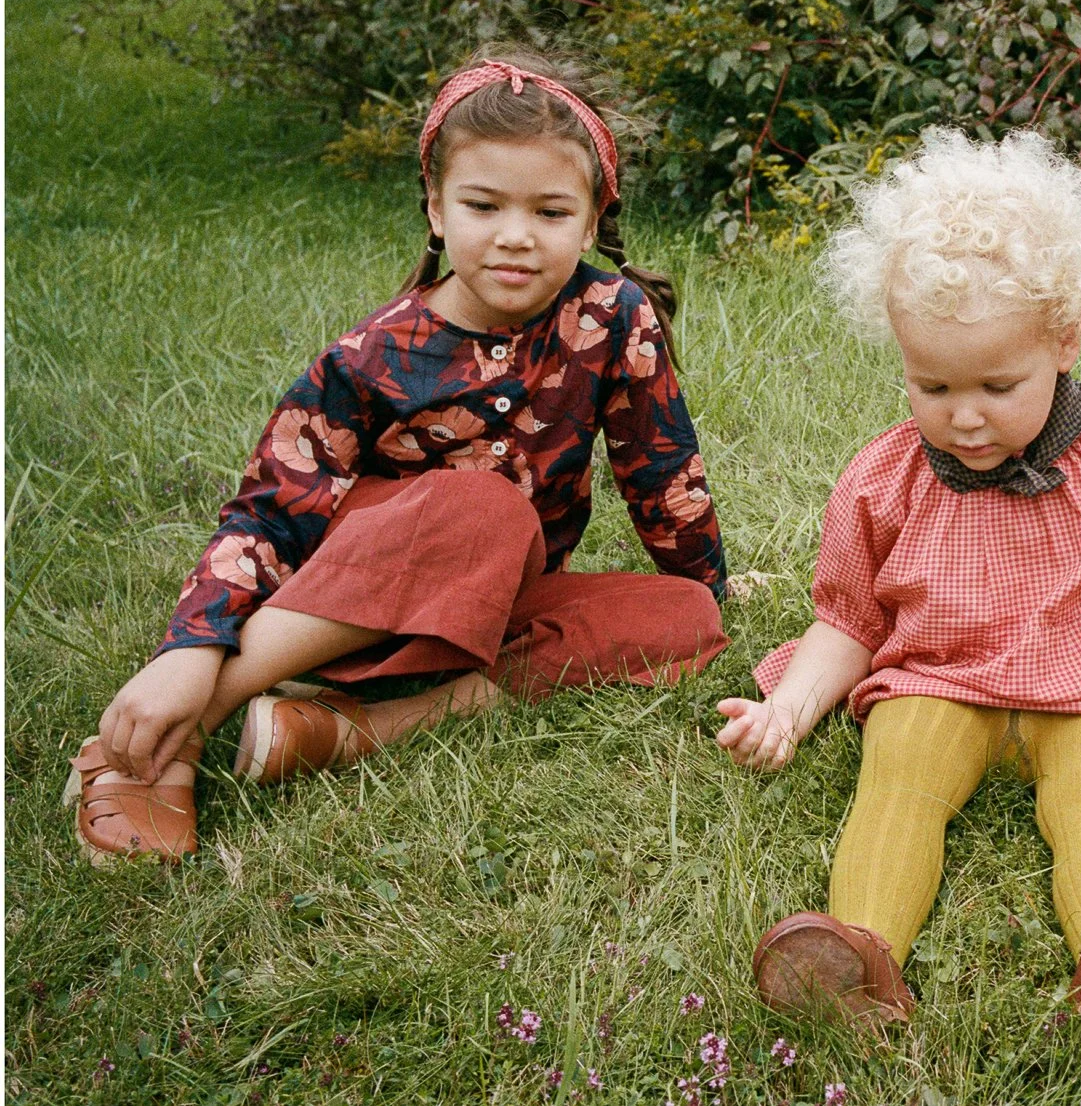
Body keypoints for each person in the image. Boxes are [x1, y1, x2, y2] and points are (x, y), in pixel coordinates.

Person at [67, 45, 728, 865]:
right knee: (487, 506)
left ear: (593, 220)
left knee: (686, 619)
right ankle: (186, 726)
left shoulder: (614, 315)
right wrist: (189, 651)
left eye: (552, 215)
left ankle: (345, 731)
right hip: (340, 614)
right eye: (483, 205)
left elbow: (662, 468)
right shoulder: (370, 355)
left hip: (477, 618)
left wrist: (707, 580)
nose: (516, 238)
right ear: (436, 208)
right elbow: (269, 512)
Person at [715, 128, 1081, 1037]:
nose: (964, 417)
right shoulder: (884, 478)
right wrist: (789, 710)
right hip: (941, 679)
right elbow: (846, 620)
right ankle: (857, 956)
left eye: (999, 385)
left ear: (1065, 340)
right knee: (896, 785)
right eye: (932, 386)